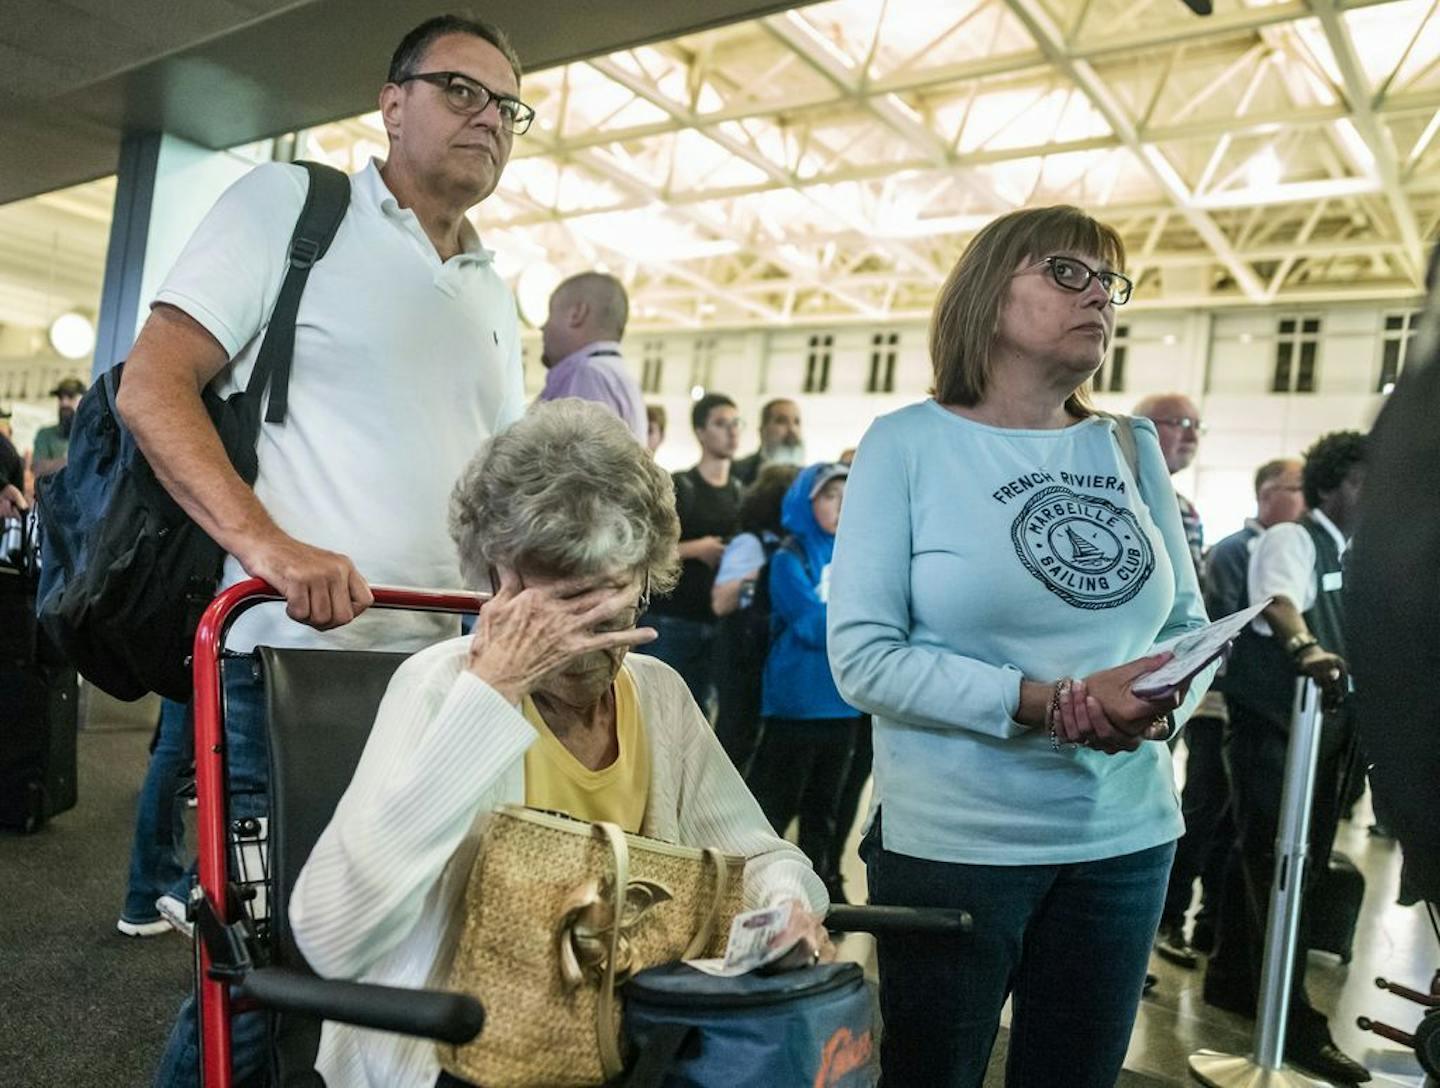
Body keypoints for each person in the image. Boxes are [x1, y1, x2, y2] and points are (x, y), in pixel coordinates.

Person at [121, 13, 532, 1082]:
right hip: (290, 669)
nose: (489, 118)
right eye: (461, 90)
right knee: (266, 966)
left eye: (509, 107)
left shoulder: (494, 289)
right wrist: (269, 544)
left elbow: (504, 490)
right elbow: (151, 384)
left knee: (399, 956)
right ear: (391, 103)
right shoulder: (294, 207)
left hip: (445, 678)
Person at [289, 400, 830, 1088]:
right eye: (559, 608)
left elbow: (759, 853)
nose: (588, 644)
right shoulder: (438, 690)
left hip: (618, 1052)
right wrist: (491, 694)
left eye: (613, 602)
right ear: (496, 581)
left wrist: (785, 905)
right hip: (454, 1059)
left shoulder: (656, 693)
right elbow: (334, 938)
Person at [828, 205, 1212, 1088]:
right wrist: (1048, 704)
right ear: (986, 296)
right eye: (1067, 274)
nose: (1100, 299)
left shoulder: (1128, 444)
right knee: (934, 1073)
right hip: (958, 847)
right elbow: (864, 657)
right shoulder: (908, 443)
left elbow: (1188, 627)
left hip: (1127, 838)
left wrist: (1155, 713)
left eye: (1110, 284)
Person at [1204, 432, 1370, 1085]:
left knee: (1275, 859)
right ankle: (1294, 1022)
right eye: (1363, 481)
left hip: (1323, 732)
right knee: (1282, 866)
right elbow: (1280, 605)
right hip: (1277, 726)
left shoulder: (1350, 552)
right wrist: (1307, 651)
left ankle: (1233, 979)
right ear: (1331, 484)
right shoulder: (1293, 539)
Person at [1155, 457, 1305, 968]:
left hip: (1252, 707)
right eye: (1295, 488)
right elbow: (1220, 622)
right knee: (1201, 809)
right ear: (1265, 493)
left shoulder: (1294, 548)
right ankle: (1167, 918)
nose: (1304, 498)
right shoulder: (1236, 551)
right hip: (1218, 703)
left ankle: (1210, 925)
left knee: (1227, 826)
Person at [745, 462, 863, 903]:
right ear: (806, 501)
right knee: (774, 805)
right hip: (794, 703)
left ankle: (820, 890)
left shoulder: (859, 554)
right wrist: (860, 622)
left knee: (825, 809)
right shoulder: (788, 557)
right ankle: (754, 887)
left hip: (843, 703)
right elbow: (813, 627)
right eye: (830, 495)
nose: (840, 506)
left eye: (848, 496)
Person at [633, 392, 741, 711]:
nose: (731, 431)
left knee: (697, 715)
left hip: (715, 623)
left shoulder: (738, 491)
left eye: (736, 423)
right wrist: (696, 549)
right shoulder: (682, 486)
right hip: (672, 621)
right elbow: (647, 549)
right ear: (700, 432)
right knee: (655, 709)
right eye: (721, 424)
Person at [709, 462, 801, 773]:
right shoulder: (750, 543)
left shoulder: (791, 546)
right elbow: (722, 602)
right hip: (740, 655)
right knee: (735, 736)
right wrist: (764, 574)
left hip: (760, 655)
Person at [537, 271, 645, 441]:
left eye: (550, 314)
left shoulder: (587, 375)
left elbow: (575, 464)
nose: (543, 327)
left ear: (577, 314)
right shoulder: (613, 374)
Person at [732, 398, 804, 486]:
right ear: (762, 431)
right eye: (782, 421)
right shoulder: (737, 472)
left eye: (796, 422)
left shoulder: (809, 478)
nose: (792, 429)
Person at [32, 376, 85, 477]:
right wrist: (79, 461)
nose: (64, 402)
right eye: (60, 397)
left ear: (83, 400)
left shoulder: (93, 435)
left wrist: (54, 464)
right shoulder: (45, 434)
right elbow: (39, 469)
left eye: (70, 397)